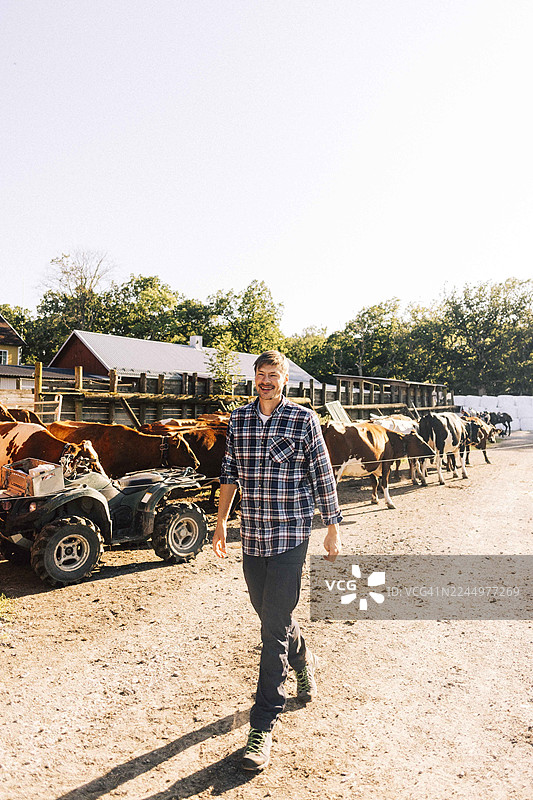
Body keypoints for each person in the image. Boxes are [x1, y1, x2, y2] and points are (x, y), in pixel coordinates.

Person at [212, 350, 342, 772]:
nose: (266, 382)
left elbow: (322, 474)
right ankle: (304, 663)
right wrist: (220, 525)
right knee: (272, 616)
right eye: (261, 375)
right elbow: (229, 475)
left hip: (290, 536)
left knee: (272, 628)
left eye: (274, 375)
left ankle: (262, 723)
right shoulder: (240, 420)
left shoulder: (303, 420)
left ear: (286, 380)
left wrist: (332, 527)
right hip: (253, 536)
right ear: (254, 379)